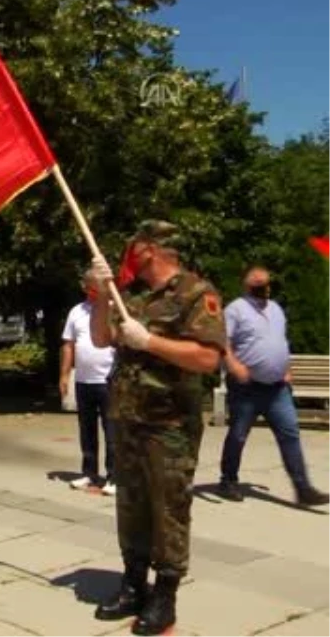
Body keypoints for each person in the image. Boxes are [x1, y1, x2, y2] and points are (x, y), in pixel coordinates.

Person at [89, 221, 226, 636]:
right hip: (128, 419)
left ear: (150, 248)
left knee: (168, 510)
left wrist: (149, 342)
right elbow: (100, 338)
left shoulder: (196, 294)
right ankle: (133, 583)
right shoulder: (130, 296)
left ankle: (165, 597)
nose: (129, 251)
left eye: (134, 245)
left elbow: (207, 359)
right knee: (130, 507)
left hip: (170, 426)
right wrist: (99, 296)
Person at [217, 266, 330, 506]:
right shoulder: (235, 309)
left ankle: (303, 488)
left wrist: (285, 368)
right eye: (256, 281)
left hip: (277, 387)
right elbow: (222, 341)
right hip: (246, 387)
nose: (262, 285)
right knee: (238, 435)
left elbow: (279, 341)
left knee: (290, 434)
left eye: (265, 282)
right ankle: (228, 480)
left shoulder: (276, 309)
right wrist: (234, 365)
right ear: (245, 284)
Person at [61, 269, 118, 495]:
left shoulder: (113, 309)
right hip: (83, 380)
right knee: (87, 430)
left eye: (94, 286)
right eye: (87, 286)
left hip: (108, 380)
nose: (89, 290)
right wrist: (64, 375)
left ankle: (114, 477)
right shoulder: (76, 312)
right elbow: (68, 345)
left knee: (112, 430)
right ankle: (89, 473)